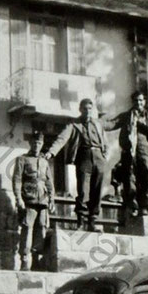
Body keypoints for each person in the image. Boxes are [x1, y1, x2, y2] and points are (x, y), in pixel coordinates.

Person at [45, 98, 107, 232]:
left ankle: (93, 221)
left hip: (98, 157)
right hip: (84, 157)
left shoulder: (98, 124)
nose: (87, 111)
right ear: (80, 110)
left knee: (97, 189)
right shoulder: (74, 125)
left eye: (90, 108)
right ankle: (81, 221)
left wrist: (104, 156)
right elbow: (62, 138)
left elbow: (104, 141)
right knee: (83, 190)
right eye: (85, 109)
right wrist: (51, 152)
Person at [104, 91, 148, 216]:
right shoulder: (126, 116)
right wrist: (98, 123)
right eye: (136, 100)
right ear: (133, 102)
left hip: (145, 152)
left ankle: (145, 207)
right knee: (129, 180)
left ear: (144, 102)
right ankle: (133, 205)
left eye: (141, 100)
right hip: (129, 153)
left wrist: (144, 125)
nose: (138, 103)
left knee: (147, 179)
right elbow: (112, 124)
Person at [13, 131, 55, 271]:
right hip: (28, 198)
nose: (37, 145)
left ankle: (36, 259)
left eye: (39, 143)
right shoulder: (22, 159)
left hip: (42, 200)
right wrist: (18, 198)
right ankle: (25, 260)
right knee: (27, 228)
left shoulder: (44, 161)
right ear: (30, 143)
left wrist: (52, 199)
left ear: (42, 144)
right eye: (35, 142)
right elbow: (17, 179)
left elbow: (49, 182)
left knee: (42, 227)